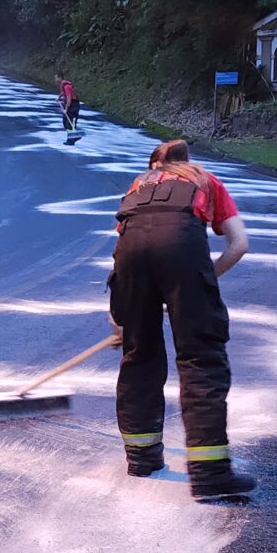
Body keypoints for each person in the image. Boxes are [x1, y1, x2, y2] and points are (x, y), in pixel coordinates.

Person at [108, 139, 254, 500]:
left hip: (131, 258)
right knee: (201, 358)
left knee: (138, 355)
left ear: (155, 165)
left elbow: (124, 250)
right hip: (180, 251)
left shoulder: (139, 186)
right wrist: (195, 282)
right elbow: (238, 245)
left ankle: (141, 458)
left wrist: (122, 315)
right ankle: (210, 475)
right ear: (185, 162)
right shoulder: (205, 179)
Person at [55, 71, 82, 144]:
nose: (55, 80)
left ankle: (71, 140)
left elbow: (69, 99)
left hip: (73, 106)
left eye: (56, 78)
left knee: (70, 124)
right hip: (70, 105)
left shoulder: (66, 86)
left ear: (60, 77)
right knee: (65, 122)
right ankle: (73, 137)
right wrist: (59, 97)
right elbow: (64, 93)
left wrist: (66, 109)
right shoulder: (64, 85)